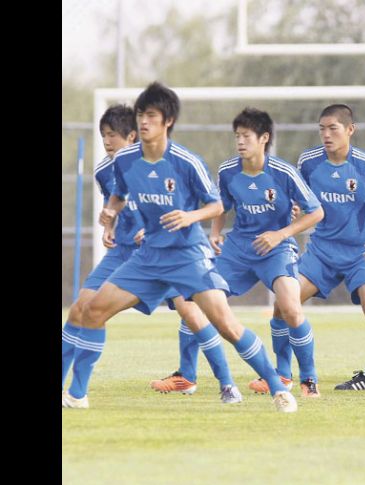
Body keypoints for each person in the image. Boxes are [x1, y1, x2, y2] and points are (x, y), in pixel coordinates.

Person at [63, 82, 297, 412]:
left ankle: (278, 388)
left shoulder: (186, 162)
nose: (144, 122)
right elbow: (119, 192)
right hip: (148, 257)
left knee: (226, 325)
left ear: (168, 121)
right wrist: (112, 213)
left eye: (152, 116)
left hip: (188, 257)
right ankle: (76, 394)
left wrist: (190, 216)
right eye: (141, 115)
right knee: (92, 310)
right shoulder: (126, 159)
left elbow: (216, 206)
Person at [62, 105, 242, 405]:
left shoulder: (162, 163)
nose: (107, 142)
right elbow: (115, 204)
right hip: (123, 255)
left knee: (194, 314)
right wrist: (109, 224)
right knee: (81, 308)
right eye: (103, 135)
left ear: (132, 136)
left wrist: (155, 229)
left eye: (113, 135)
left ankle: (227, 384)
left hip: (165, 253)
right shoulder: (106, 171)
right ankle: (73, 390)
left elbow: (178, 204)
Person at [250, 103, 365, 397]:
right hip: (321, 252)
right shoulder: (309, 162)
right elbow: (297, 196)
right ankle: (284, 376)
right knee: (283, 306)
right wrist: (293, 208)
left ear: (350, 130)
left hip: (360, 253)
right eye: (322, 128)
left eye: (333, 128)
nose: (326, 134)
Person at [207, 107, 324, 397]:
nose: (240, 142)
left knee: (291, 309)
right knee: (201, 304)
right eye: (237, 136)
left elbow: (317, 211)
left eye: (246, 136)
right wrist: (215, 232)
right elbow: (222, 205)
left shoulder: (283, 172)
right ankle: (205, 380)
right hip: (238, 248)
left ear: (264, 138)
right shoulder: (227, 171)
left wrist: (281, 234)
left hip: (277, 249)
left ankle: (307, 379)